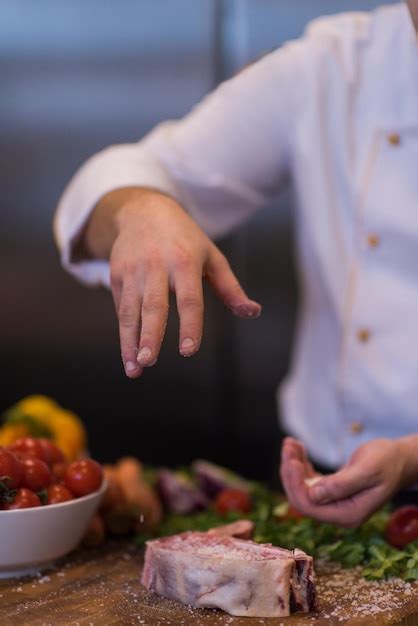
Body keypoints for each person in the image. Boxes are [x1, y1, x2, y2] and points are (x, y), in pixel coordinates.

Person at [54, 2, 418, 527]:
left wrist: (409, 457)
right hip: (322, 478)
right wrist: (139, 209)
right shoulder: (336, 66)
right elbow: (134, 173)